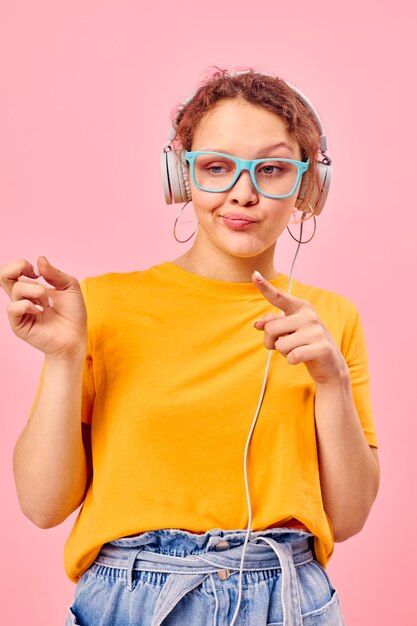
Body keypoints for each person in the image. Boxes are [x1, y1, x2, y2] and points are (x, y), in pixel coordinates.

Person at [1, 68, 379, 626]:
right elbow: (42, 505)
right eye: (217, 167)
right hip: (131, 597)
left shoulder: (329, 321)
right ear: (181, 177)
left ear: (308, 186)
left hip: (287, 598)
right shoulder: (100, 305)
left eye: (272, 169)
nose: (243, 193)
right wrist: (62, 359)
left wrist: (332, 380)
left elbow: (346, 518)